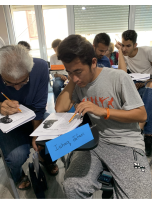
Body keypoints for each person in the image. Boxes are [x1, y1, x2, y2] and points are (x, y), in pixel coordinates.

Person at [55, 34, 152, 199]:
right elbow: (60, 108)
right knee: (71, 186)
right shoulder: (78, 82)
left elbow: (141, 115)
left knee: (140, 195)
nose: (75, 78)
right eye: (70, 72)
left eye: (78, 71)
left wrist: (103, 111)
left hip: (126, 142)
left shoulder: (118, 77)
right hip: (93, 139)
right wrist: (74, 76)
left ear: (93, 62)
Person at [0, 45, 58, 191]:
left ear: (30, 69)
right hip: (8, 121)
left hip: (35, 115)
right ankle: (18, 175)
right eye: (9, 83)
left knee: (56, 141)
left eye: (23, 81)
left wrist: (37, 133)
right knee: (16, 157)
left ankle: (46, 159)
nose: (17, 89)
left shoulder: (40, 67)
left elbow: (39, 107)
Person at [115, 30, 152, 156]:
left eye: (128, 46)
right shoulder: (123, 54)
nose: (125, 49)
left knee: (150, 88)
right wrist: (119, 51)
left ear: (135, 45)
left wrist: (147, 80)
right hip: (136, 83)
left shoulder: (147, 51)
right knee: (122, 90)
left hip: (149, 82)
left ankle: (145, 132)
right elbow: (122, 74)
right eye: (123, 45)